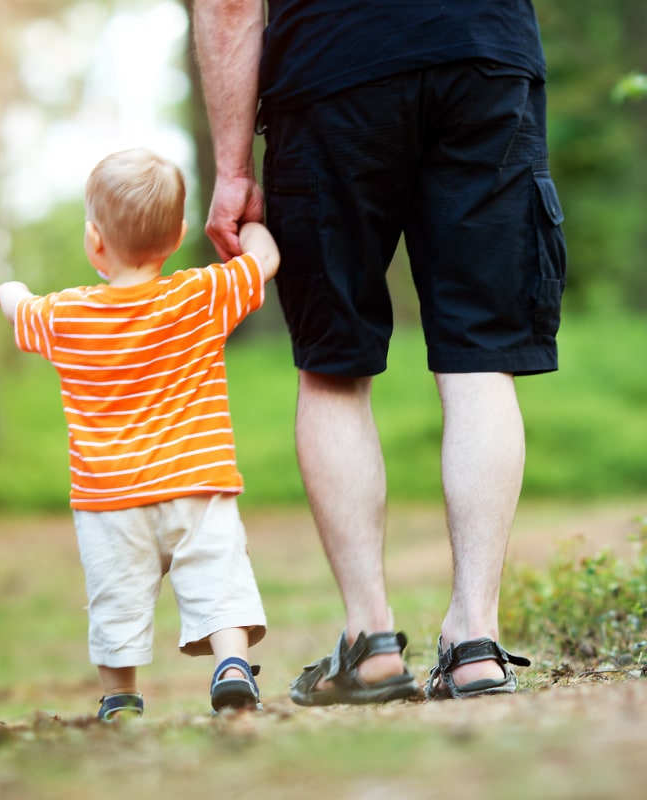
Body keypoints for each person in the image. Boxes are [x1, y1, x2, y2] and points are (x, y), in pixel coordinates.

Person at [193, 1, 566, 703]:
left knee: (333, 366)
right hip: (483, 53)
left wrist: (233, 164)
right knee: (481, 358)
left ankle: (370, 642)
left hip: (334, 63)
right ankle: (475, 642)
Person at [0, 147, 280, 718]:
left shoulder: (68, 317)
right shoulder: (200, 296)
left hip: (109, 498)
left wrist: (8, 290)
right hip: (197, 480)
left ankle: (120, 698)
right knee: (219, 574)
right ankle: (232, 665)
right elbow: (264, 260)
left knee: (116, 599)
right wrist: (250, 222)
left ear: (95, 241)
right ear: (179, 234)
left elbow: (23, 311)